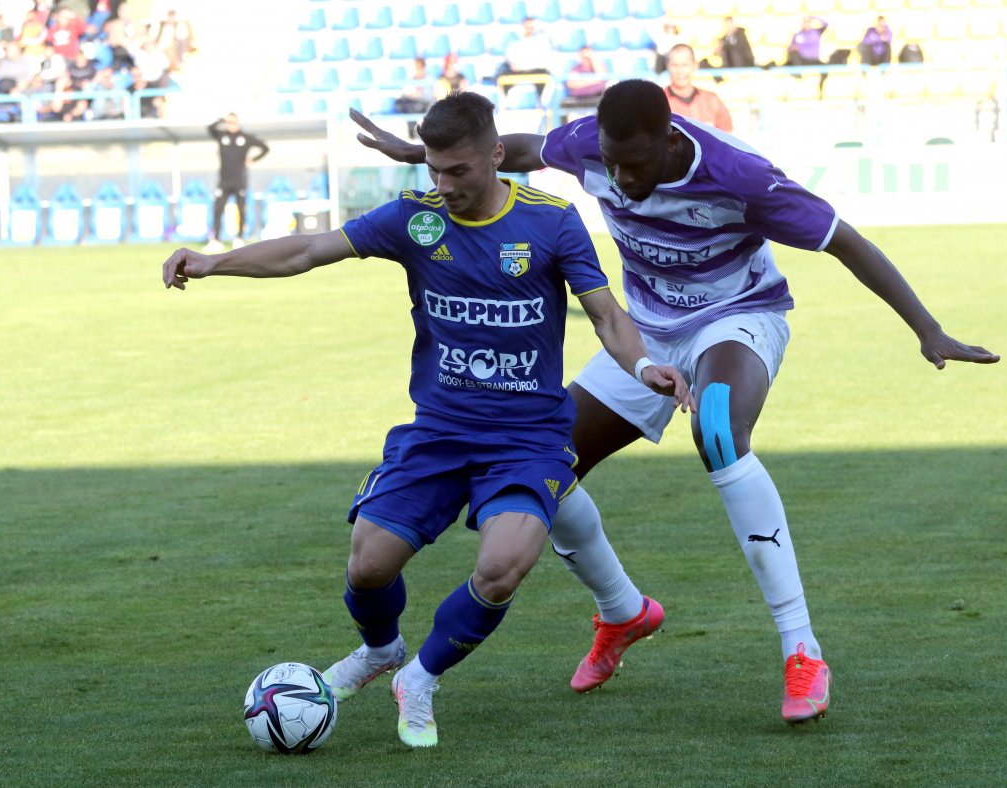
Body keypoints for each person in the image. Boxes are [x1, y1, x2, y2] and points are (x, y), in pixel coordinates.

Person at [351, 79, 1000, 725]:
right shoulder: (589, 146)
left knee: (717, 429)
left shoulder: (740, 176)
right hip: (648, 336)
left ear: (668, 140)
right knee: (547, 458)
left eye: (635, 166)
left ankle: (803, 651)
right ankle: (622, 611)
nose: (622, 179)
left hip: (737, 318)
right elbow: (520, 148)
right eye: (611, 163)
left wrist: (927, 328)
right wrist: (424, 159)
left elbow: (844, 240)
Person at [163, 91, 694, 748]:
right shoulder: (415, 220)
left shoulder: (552, 223)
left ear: (497, 156)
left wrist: (645, 370)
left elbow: (609, 315)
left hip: (528, 439)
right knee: (368, 568)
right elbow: (307, 251)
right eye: (434, 171)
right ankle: (382, 651)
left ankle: (419, 676)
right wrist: (217, 262)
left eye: (458, 172)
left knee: (502, 566)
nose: (443, 187)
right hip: (439, 432)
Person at [203, 112, 268, 252]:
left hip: (240, 181)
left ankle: (239, 238)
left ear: (238, 123)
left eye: (233, 122)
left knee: (241, 209)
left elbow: (265, 148)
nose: (230, 125)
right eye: (228, 122)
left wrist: (253, 160)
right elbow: (209, 128)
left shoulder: (246, 138)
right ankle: (216, 240)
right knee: (218, 209)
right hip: (224, 181)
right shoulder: (221, 136)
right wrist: (221, 119)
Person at [664, 44, 732, 132]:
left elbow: (727, 137)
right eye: (675, 65)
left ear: (695, 66)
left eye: (685, 65)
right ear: (667, 66)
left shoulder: (712, 100)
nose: (680, 71)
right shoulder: (658, 102)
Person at [395, 56, 432, 139]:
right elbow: (405, 94)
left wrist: (418, 95)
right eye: (416, 67)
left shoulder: (428, 80)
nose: (417, 69)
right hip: (412, 104)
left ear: (423, 67)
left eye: (419, 67)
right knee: (405, 103)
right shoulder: (411, 80)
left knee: (409, 105)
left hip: (424, 105)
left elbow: (429, 97)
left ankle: (413, 133)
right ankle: (413, 133)